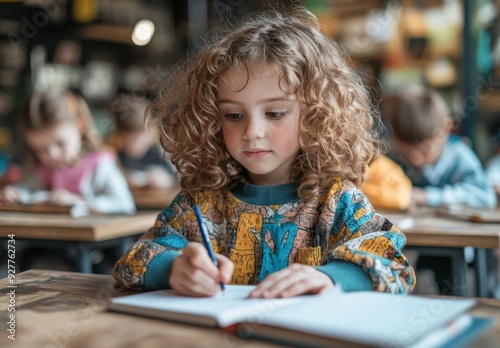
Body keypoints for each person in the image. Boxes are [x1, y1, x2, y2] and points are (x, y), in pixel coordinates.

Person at [113, 7, 415, 297]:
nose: (252, 131)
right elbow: (132, 262)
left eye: (274, 113)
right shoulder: (200, 203)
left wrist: (331, 277)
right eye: (233, 115)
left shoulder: (337, 202)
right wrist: (174, 268)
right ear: (212, 120)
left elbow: (396, 268)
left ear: (316, 115)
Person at [0, 90, 136, 215]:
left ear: (80, 125)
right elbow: (28, 188)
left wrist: (79, 201)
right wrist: (15, 193)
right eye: (40, 149)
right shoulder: (44, 168)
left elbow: (125, 204)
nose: (52, 154)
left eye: (61, 143)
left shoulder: (100, 164)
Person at [387, 85, 496, 209]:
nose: (415, 160)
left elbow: (485, 196)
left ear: (447, 128)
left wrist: (426, 196)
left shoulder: (458, 156)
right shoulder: (392, 158)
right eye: (407, 153)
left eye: (426, 150)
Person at [109, 93, 178, 190]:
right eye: (127, 141)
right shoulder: (116, 153)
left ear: (151, 133)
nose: (133, 147)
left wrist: (165, 181)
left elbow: (176, 182)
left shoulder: (162, 150)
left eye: (138, 141)